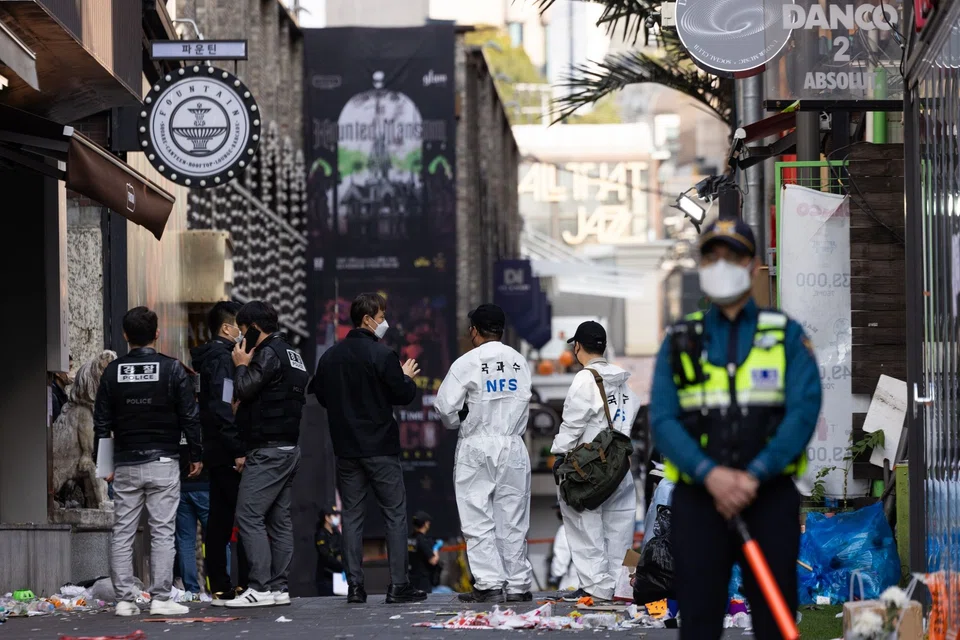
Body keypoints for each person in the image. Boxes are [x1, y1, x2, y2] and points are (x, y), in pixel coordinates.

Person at [649, 218, 822, 639]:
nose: (721, 264)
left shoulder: (784, 335)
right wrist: (712, 476)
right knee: (700, 620)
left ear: (753, 266)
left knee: (774, 618)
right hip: (698, 500)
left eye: (733, 256)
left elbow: (802, 413)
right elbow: (663, 420)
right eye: (712, 256)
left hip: (768, 497)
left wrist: (752, 476)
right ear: (701, 265)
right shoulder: (680, 340)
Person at [311, 292, 426, 605]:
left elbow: (320, 396)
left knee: (352, 518)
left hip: (347, 449)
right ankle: (398, 585)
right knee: (395, 515)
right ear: (367, 319)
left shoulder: (330, 357)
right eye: (381, 316)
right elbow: (402, 394)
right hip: (380, 448)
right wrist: (405, 377)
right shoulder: (383, 355)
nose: (384, 322)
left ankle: (355, 588)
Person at [92, 306, 202, 617]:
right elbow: (189, 417)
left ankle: (125, 599)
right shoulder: (172, 369)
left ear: (126, 336)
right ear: (156, 334)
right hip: (164, 460)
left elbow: (101, 422)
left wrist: (104, 466)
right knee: (163, 531)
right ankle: (161, 597)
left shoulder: (113, 372)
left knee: (123, 529)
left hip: (125, 463)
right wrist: (195, 454)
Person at [435, 304, 534, 604]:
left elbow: (444, 407)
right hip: (513, 445)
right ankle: (518, 584)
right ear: (501, 330)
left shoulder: (467, 362)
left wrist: (457, 422)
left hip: (477, 444)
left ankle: (489, 584)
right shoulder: (519, 362)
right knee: (513, 517)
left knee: (477, 517)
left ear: (475, 331)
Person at [550, 320, 639, 603]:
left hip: (589, 469)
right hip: (619, 467)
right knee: (620, 526)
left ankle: (595, 588)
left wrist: (560, 454)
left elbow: (573, 423)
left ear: (578, 346)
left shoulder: (585, 378)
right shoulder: (624, 381)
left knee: (582, 522)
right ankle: (617, 587)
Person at [226, 301, 308, 608]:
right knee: (279, 519)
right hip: (289, 448)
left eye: (242, 329)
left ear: (253, 329)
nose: (240, 337)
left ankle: (259, 588)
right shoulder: (293, 354)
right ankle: (278, 588)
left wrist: (240, 364)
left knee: (248, 515)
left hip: (268, 450)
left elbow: (246, 388)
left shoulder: (269, 353)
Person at [191, 301, 250, 606]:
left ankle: (223, 585)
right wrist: (238, 450)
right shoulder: (222, 360)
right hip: (226, 451)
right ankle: (232, 585)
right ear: (227, 328)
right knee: (232, 518)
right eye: (241, 326)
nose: (245, 332)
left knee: (220, 519)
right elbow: (223, 408)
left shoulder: (209, 358)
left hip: (216, 449)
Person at [174, 362, 209, 600]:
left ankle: (191, 591)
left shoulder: (172, 414)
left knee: (185, 541)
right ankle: (219, 586)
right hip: (205, 485)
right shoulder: (207, 413)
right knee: (217, 538)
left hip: (179, 484)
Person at [408, 511, 440, 594]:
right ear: (426, 524)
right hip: (422, 580)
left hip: (410, 577)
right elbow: (433, 560)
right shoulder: (422, 540)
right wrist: (435, 548)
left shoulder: (409, 539)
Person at [547, 502, 577, 592]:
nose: (557, 511)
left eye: (559, 509)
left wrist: (556, 575)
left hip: (571, 578)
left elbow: (562, 554)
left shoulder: (564, 529)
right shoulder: (583, 527)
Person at [315, 506, 344, 597]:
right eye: (334, 515)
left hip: (339, 575)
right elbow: (325, 555)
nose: (336, 518)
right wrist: (341, 565)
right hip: (327, 576)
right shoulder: (321, 535)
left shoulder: (336, 533)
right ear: (327, 518)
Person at [50, 355, 73, 425]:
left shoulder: (61, 393)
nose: (72, 372)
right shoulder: (53, 396)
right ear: (57, 372)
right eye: (69, 368)